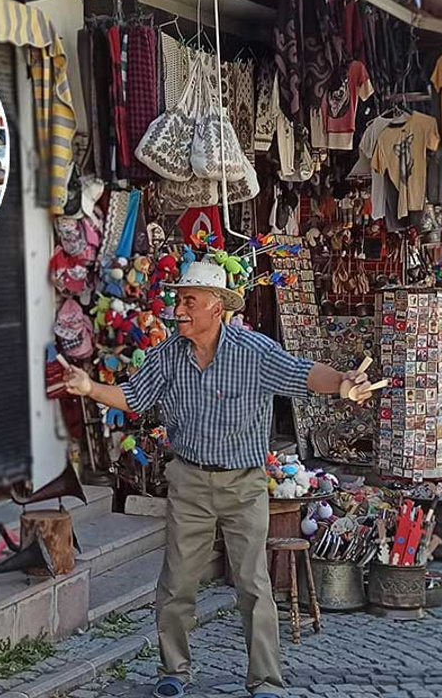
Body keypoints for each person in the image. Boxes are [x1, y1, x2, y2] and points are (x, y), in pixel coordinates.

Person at [61, 261, 371, 698]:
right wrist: (90, 387)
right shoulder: (167, 355)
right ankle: (174, 671)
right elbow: (131, 398)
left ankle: (265, 680)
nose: (179, 308)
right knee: (177, 583)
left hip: (243, 485)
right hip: (188, 481)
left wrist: (341, 383)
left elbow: (302, 373)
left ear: (217, 306)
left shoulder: (253, 352)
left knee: (252, 583)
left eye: (189, 300)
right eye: (178, 298)